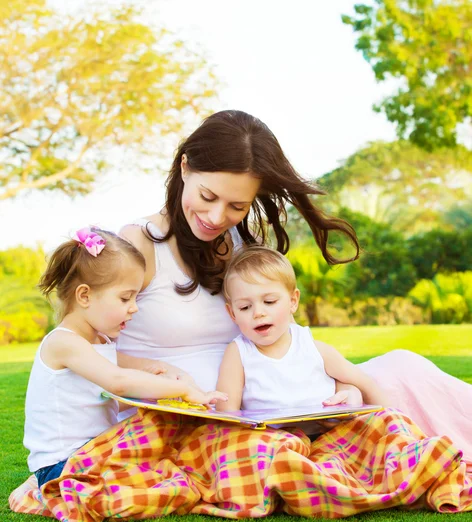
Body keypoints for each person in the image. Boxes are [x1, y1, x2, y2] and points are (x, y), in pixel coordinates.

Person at [118, 109, 472, 465]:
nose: (216, 218)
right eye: (208, 197)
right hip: (199, 419)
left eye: (237, 206)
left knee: (404, 368)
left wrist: (341, 388)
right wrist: (162, 374)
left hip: (284, 404)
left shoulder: (242, 242)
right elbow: (83, 346)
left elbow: (283, 341)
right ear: (184, 168)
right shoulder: (140, 243)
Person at [24, 227, 227, 488]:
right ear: (84, 296)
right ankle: (41, 491)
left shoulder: (100, 342)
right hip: (63, 465)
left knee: (166, 442)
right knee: (160, 456)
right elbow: (118, 381)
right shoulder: (64, 342)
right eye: (125, 298)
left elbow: (141, 372)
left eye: (135, 296)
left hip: (92, 454)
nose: (135, 307)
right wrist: (183, 389)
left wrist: (168, 375)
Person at [216, 246, 388, 419]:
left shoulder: (311, 347)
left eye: (269, 301)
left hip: (325, 433)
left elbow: (365, 383)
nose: (258, 312)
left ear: (293, 301)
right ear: (232, 314)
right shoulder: (239, 352)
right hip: (271, 439)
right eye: (245, 307)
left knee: (389, 429)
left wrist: (387, 417)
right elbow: (227, 411)